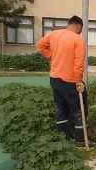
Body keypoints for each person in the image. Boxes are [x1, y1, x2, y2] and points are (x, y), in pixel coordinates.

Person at [36, 16, 89, 147]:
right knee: (79, 110)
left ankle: (64, 137)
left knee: (60, 108)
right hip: (69, 80)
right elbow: (79, 63)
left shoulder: (54, 34)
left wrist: (52, 57)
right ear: (79, 26)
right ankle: (81, 140)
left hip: (54, 78)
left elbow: (40, 45)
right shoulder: (78, 39)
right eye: (80, 30)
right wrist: (78, 81)